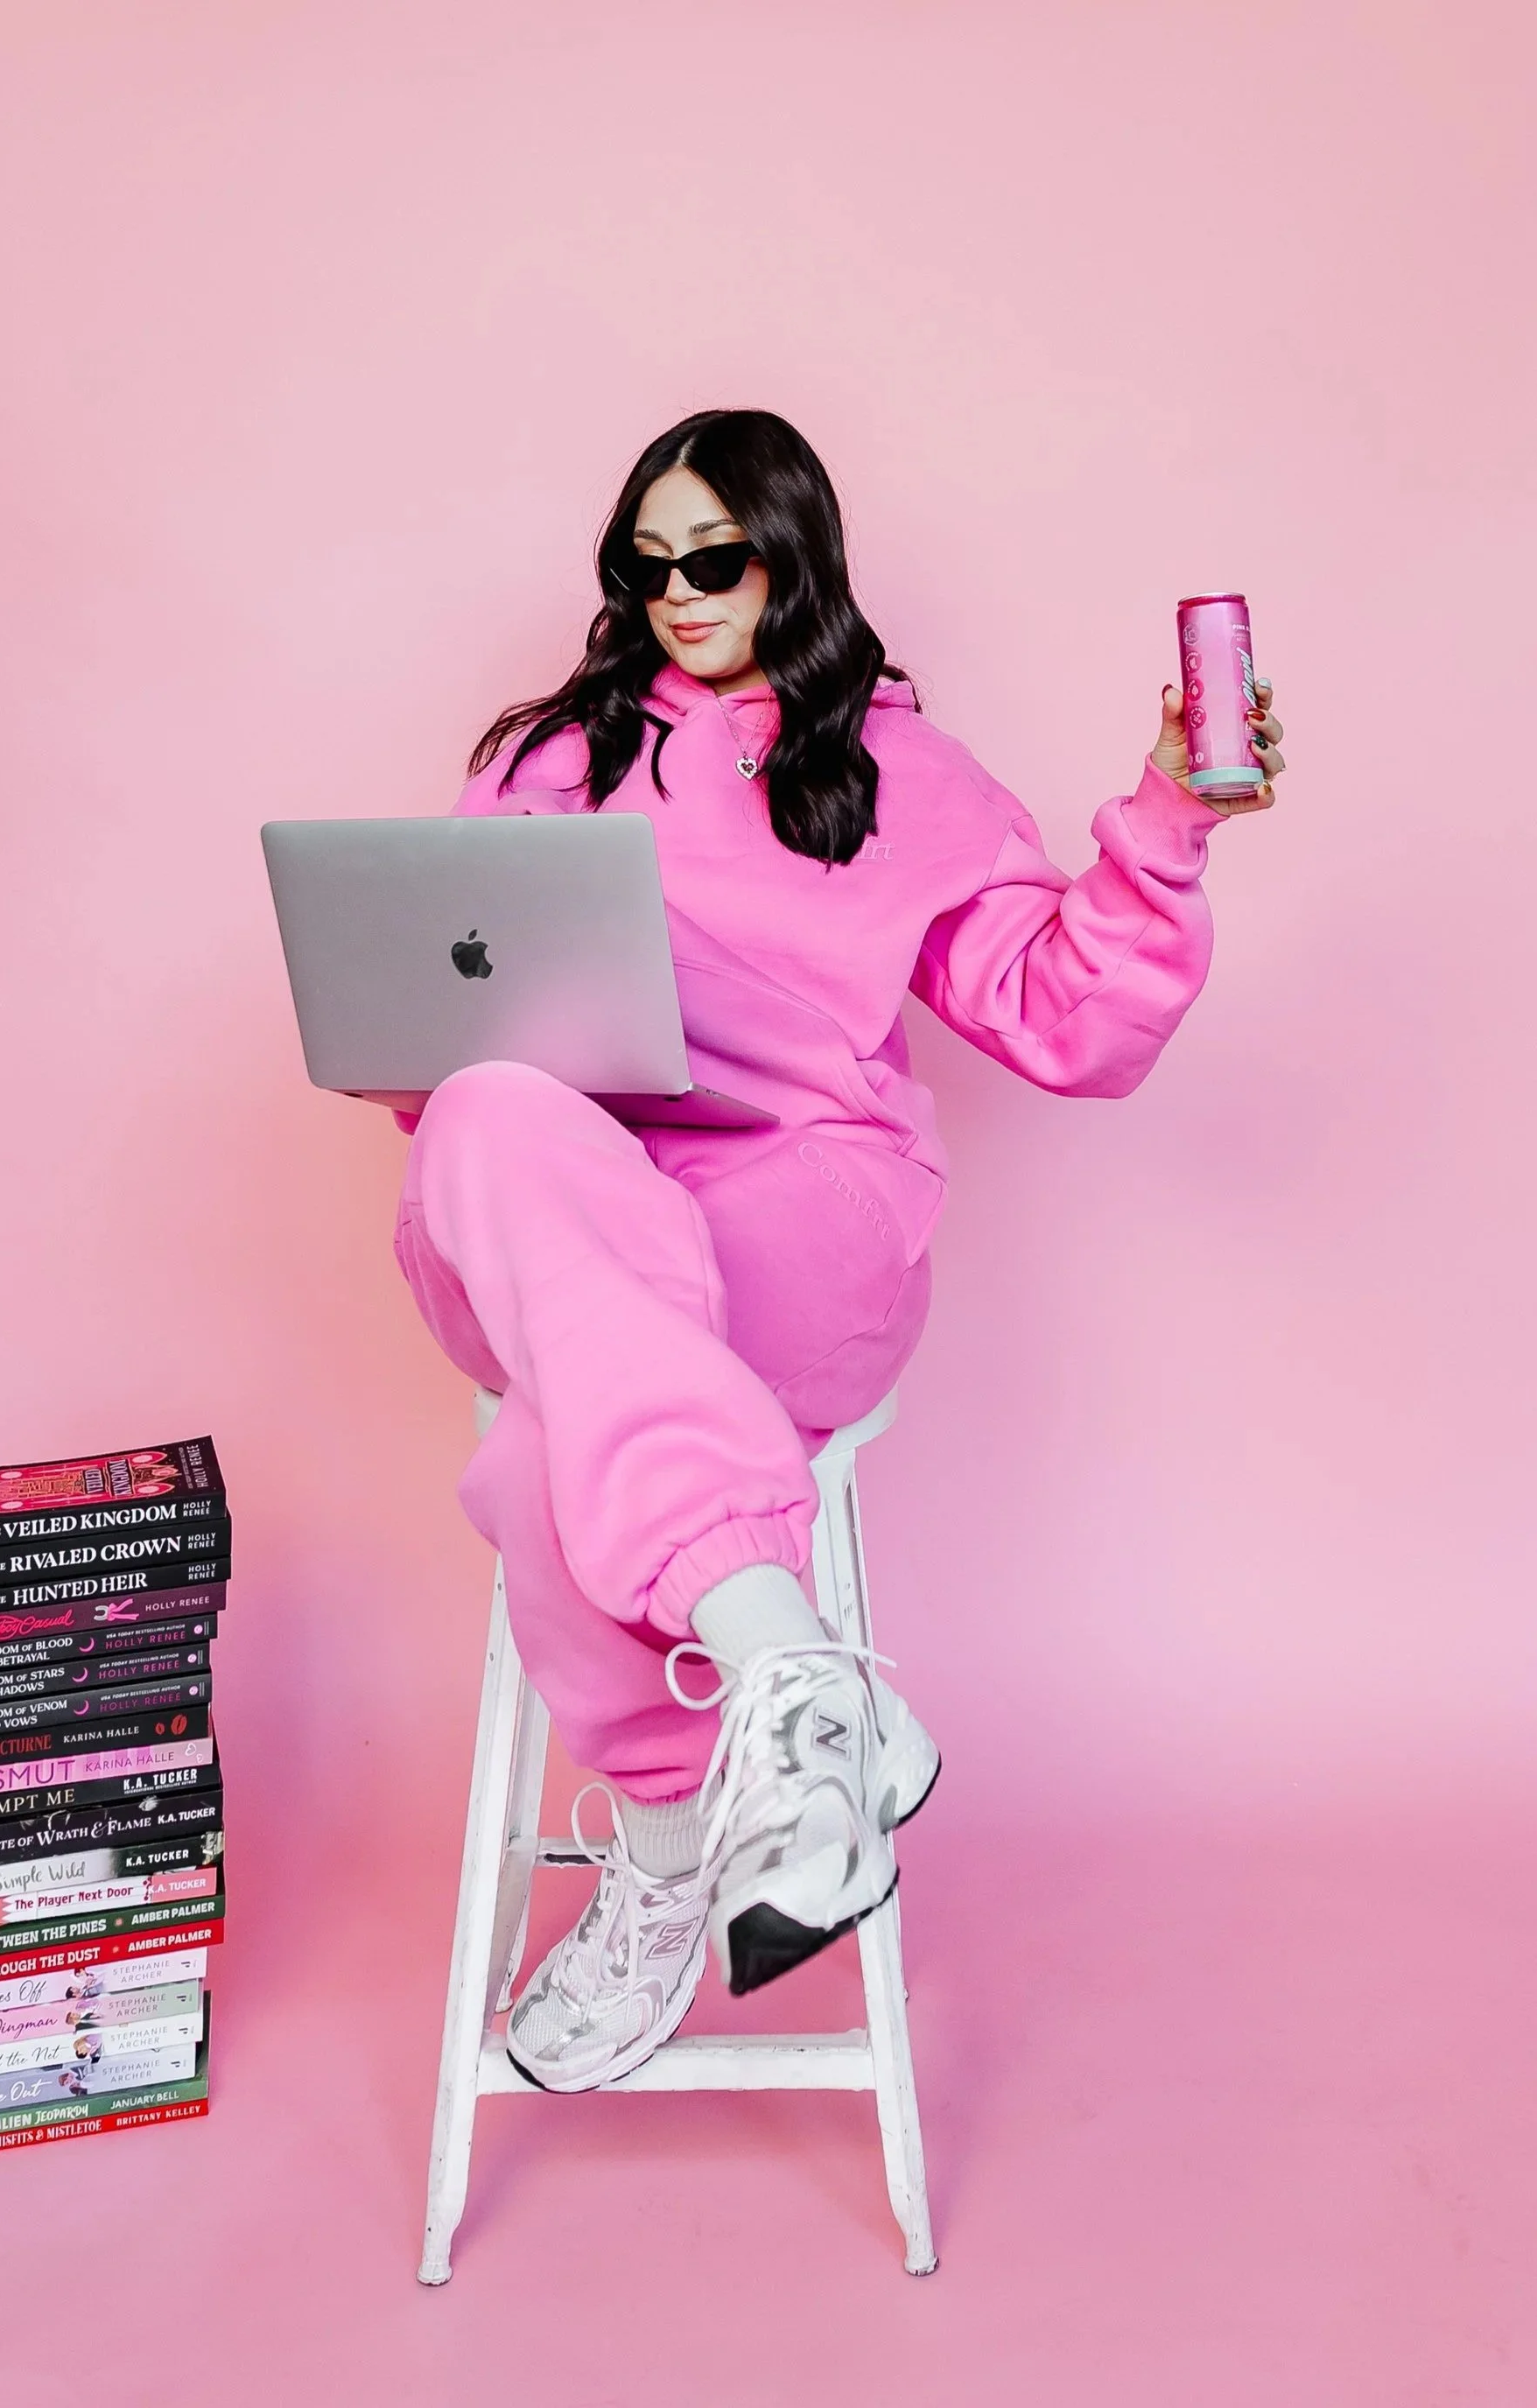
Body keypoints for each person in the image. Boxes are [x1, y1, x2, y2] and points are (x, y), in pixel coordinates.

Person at [392, 409, 1286, 2094]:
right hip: (579, 1210)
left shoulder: (895, 776)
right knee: (495, 1113)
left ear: (794, 560)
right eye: (644, 566)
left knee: (542, 1457)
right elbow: (445, 1038)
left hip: (796, 1223)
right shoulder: (544, 768)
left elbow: (1063, 1013)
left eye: (714, 561)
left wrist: (1172, 813)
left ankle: (663, 1851)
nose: (676, 596)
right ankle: (800, 1683)